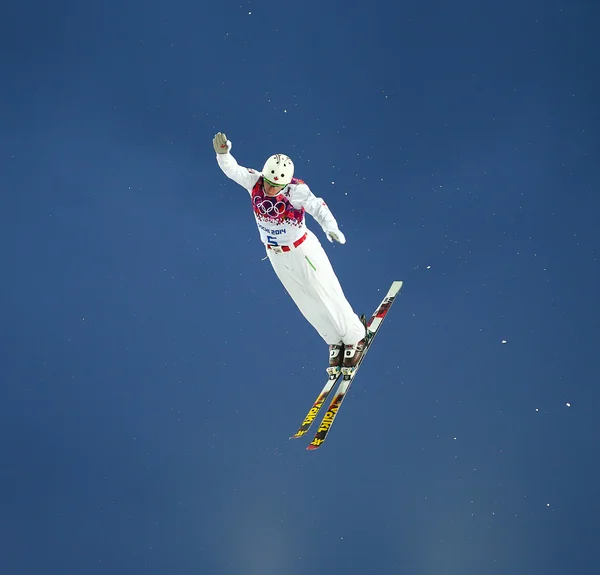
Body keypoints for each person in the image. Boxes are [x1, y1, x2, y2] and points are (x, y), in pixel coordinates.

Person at [213, 132, 367, 372]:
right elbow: (233, 170)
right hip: (276, 254)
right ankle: (333, 340)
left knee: (324, 291)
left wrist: (331, 228)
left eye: (278, 186)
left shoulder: (295, 190)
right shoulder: (255, 181)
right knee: (304, 300)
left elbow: (317, 207)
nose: (272, 189)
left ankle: (355, 335)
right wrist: (223, 154)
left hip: (302, 250)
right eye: (270, 183)